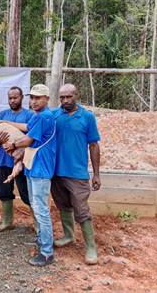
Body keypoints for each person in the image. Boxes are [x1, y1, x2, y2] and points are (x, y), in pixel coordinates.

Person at [4, 84, 56, 266]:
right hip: (33, 167)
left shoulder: (45, 117)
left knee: (41, 210)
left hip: (41, 169)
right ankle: (42, 242)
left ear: (47, 99)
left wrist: (13, 145)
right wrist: (7, 123)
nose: (34, 101)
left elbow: (28, 139)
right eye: (32, 98)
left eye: (38, 98)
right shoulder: (37, 116)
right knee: (36, 205)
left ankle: (47, 252)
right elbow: (26, 126)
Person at [51, 83, 101, 265]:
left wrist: (96, 174)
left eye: (68, 97)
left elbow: (94, 145)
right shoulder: (54, 115)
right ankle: (68, 235)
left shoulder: (87, 117)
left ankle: (90, 247)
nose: (64, 100)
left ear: (76, 95)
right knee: (63, 205)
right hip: (56, 172)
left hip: (77, 173)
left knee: (81, 209)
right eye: (62, 98)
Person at [0, 86, 33, 231]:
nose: (12, 100)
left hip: (23, 161)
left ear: (22, 97)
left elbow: (32, 134)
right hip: (3, 160)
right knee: (3, 191)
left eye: (15, 97)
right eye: (10, 98)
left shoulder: (30, 115)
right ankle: (7, 222)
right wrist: (0, 140)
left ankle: (37, 223)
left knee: (26, 193)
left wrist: (16, 144)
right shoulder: (1, 115)